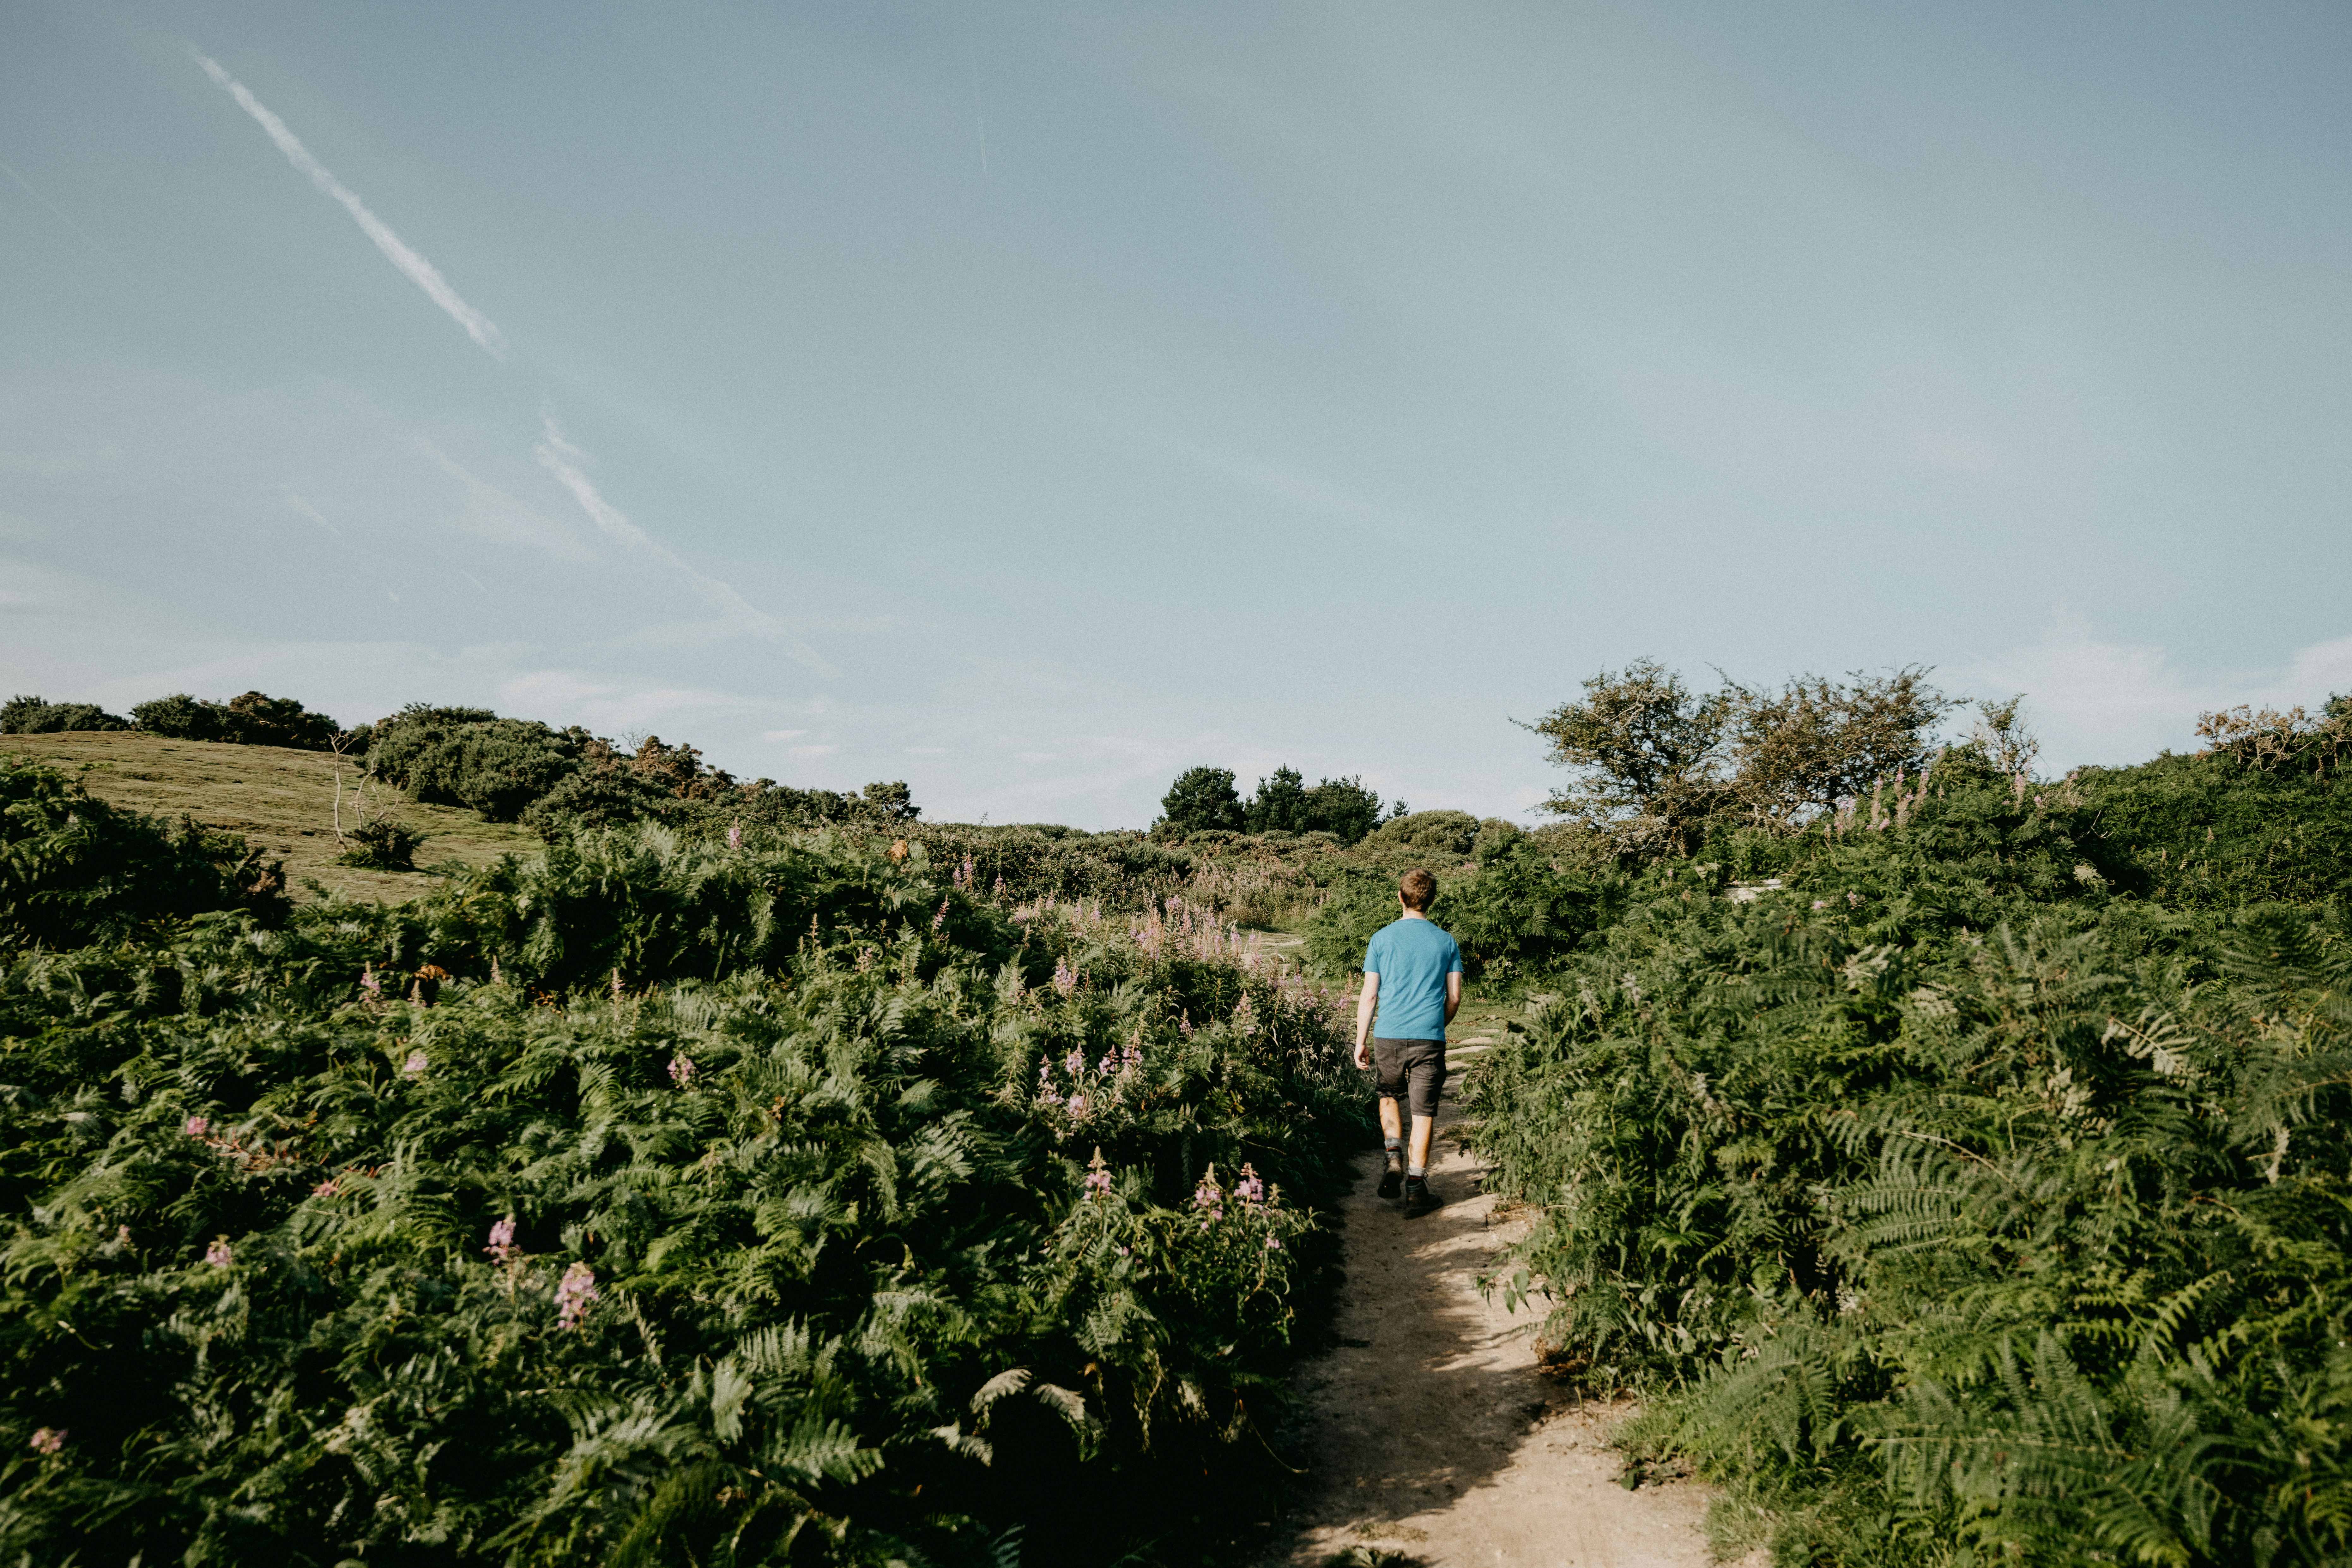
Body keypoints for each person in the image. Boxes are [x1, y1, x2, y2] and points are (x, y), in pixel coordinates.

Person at [1351, 869, 1463, 1216]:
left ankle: (1393, 1156)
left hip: (1388, 1036)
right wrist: (1435, 1025)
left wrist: (1360, 1041)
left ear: (1400, 897)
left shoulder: (1381, 939)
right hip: (1428, 1037)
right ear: (1430, 901)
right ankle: (1416, 1189)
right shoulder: (1446, 941)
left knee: (1388, 1095)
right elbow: (1454, 997)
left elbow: (1369, 996)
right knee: (1423, 1112)